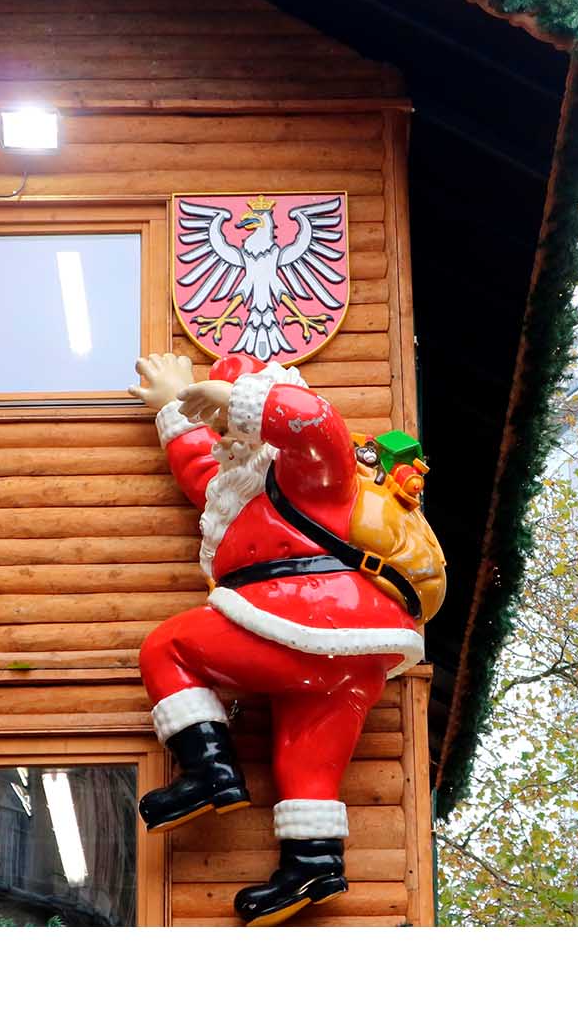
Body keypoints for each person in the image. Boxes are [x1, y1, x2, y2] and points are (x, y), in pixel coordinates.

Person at [129, 351, 431, 925]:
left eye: (227, 421)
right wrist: (174, 404)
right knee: (306, 758)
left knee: (168, 648)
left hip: (308, 616)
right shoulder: (243, 483)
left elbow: (317, 424)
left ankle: (210, 771)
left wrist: (238, 402)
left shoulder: (315, 472)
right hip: (353, 653)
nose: (223, 436)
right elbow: (202, 471)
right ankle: (312, 865)